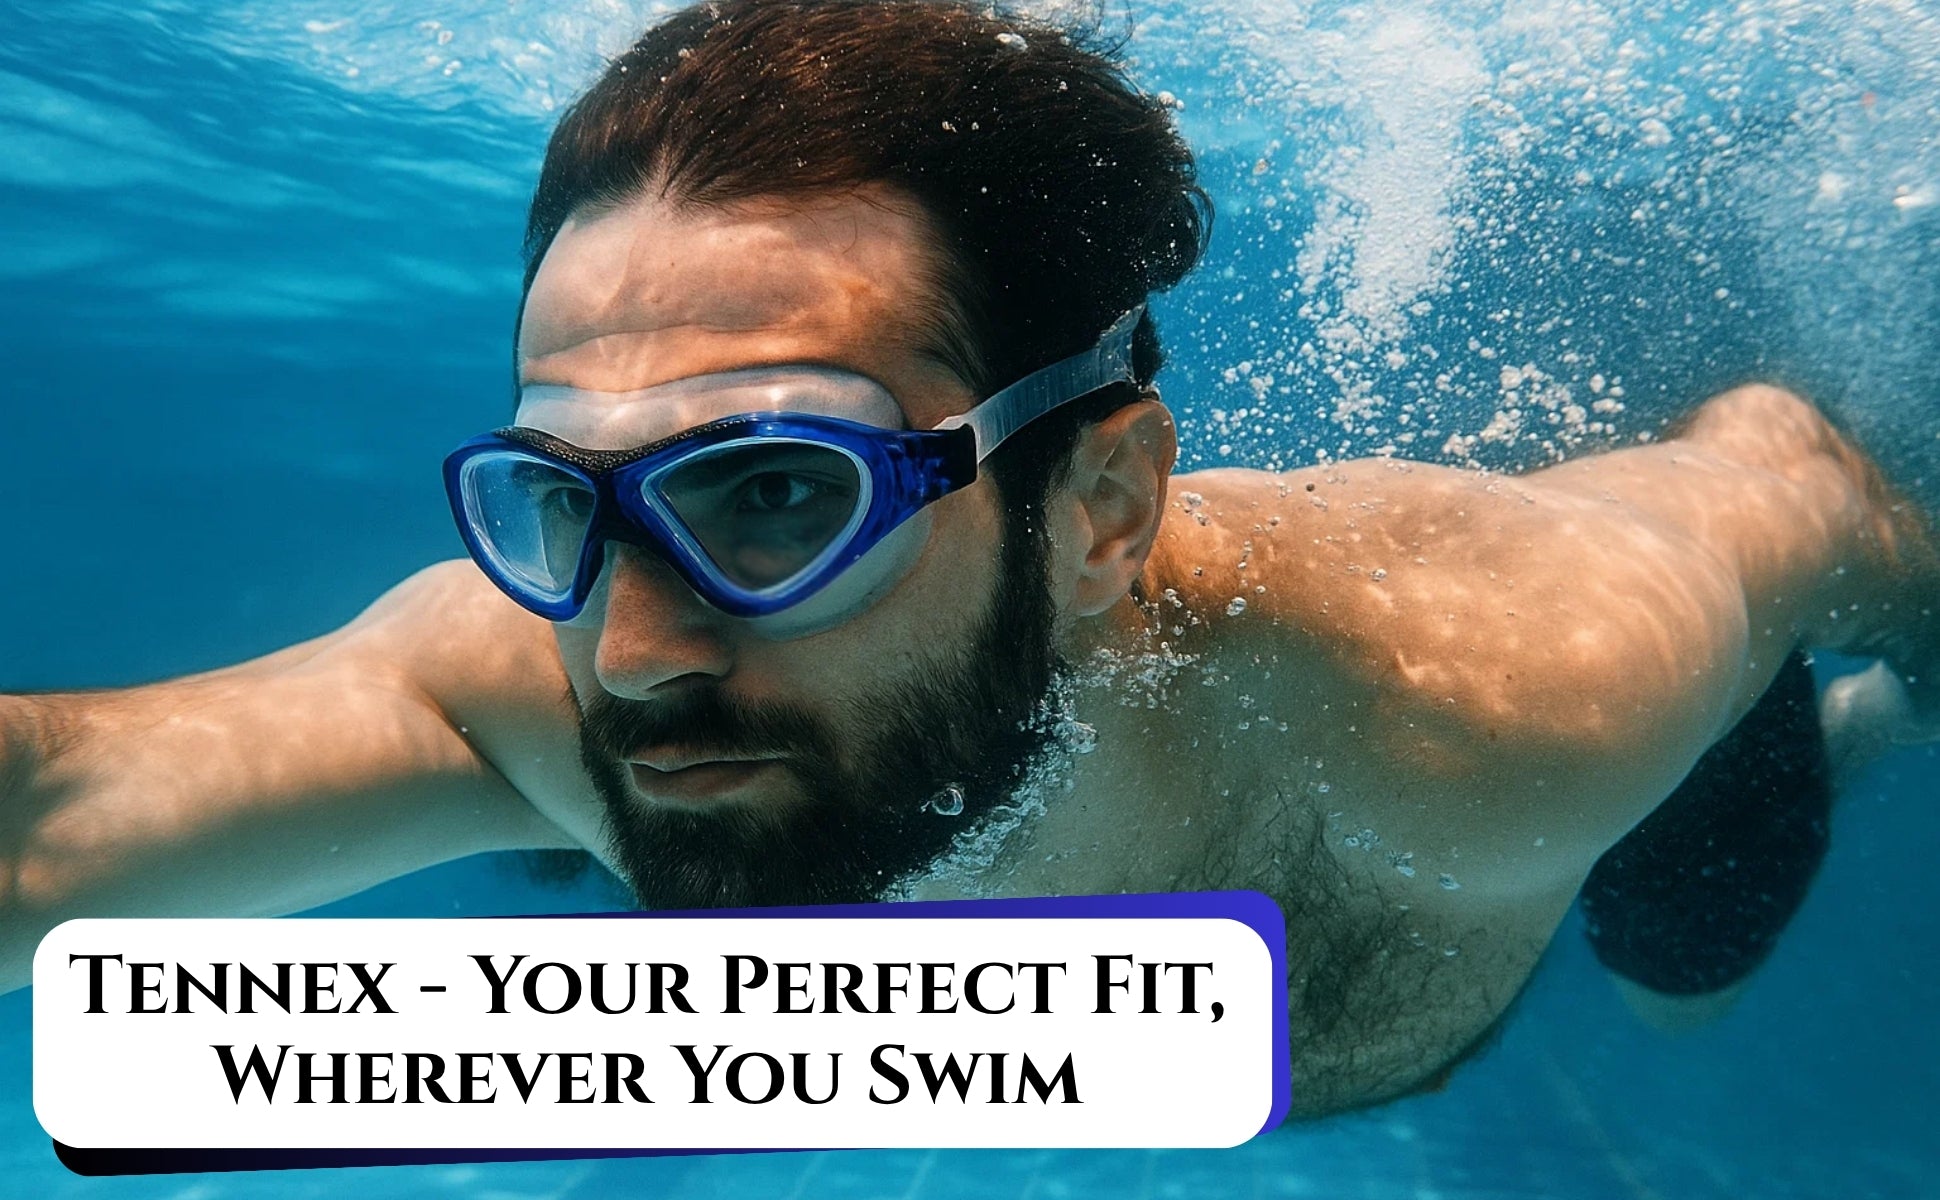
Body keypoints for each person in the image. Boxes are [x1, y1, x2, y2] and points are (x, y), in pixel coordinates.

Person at [2, 0, 1936, 1117]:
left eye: (776, 492)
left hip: (1636, 792)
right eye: (563, 502)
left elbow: (1799, 484)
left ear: (1100, 514)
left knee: (1682, 989)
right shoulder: (528, 681)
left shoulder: (1512, 689)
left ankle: (1847, 736)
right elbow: (53, 814)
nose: (632, 655)